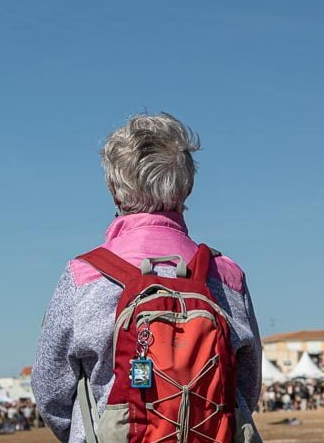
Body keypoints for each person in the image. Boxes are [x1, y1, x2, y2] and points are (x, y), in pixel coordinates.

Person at [33, 113, 262, 443]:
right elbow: (247, 386)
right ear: (189, 186)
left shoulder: (84, 275)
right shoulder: (227, 276)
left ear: (114, 190)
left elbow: (50, 388)